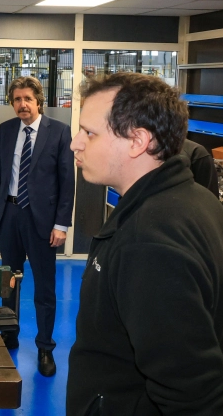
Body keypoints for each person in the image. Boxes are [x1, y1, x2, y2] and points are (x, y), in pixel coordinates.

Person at [67, 73, 223, 415]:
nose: (75, 143)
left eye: (89, 133)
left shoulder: (148, 242)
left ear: (137, 141)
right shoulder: (197, 200)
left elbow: (191, 393)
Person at [0, 76, 74, 377]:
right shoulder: (6, 130)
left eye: (27, 99)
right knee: (8, 282)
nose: (22, 104)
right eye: (17, 99)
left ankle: (45, 347)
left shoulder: (59, 131)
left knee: (45, 288)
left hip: (43, 221)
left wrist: (61, 224)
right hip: (9, 215)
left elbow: (67, 182)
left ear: (39, 101)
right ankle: (9, 334)